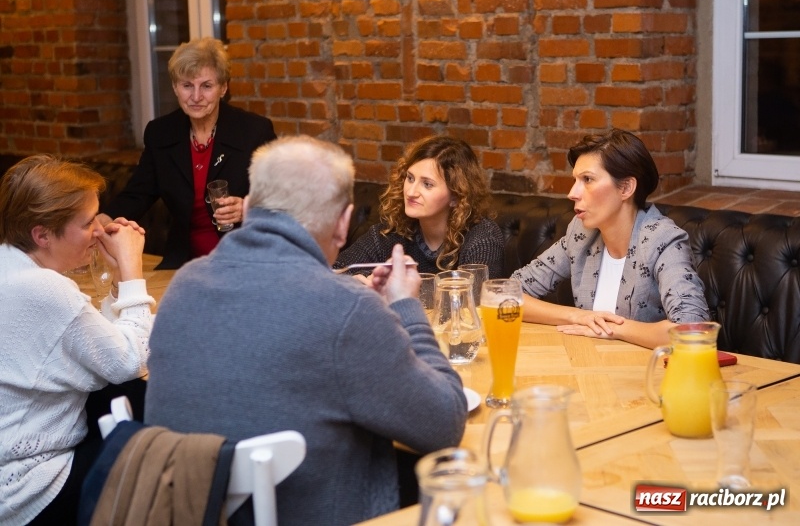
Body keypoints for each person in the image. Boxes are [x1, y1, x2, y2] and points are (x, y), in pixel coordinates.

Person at [144, 135, 467, 526]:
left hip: (184, 512)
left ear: (249, 204)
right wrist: (405, 306)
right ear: (343, 223)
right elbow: (445, 424)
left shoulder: (183, 284)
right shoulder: (345, 309)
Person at [0, 155, 154, 525]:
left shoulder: (11, 265)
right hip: (30, 487)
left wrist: (120, 281)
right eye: (87, 223)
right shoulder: (44, 289)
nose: (99, 231)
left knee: (129, 396)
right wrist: (132, 269)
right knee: (164, 451)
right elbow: (131, 360)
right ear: (42, 235)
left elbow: (92, 345)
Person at [512, 129, 709, 349]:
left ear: (626, 188)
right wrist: (577, 316)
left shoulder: (662, 240)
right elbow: (506, 295)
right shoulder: (582, 234)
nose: (572, 193)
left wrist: (613, 329)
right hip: (590, 362)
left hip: (648, 368)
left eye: (587, 179)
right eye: (576, 180)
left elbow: (694, 332)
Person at [102, 37, 277, 269]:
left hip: (246, 259)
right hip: (184, 263)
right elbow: (138, 194)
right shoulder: (161, 133)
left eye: (206, 86)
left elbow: (283, 197)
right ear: (175, 87)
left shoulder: (254, 131)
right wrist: (102, 219)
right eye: (187, 85)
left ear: (223, 88)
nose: (196, 97)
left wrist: (248, 207)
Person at [334, 134, 505, 280]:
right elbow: (334, 271)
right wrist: (366, 280)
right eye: (410, 178)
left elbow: (474, 299)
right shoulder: (390, 233)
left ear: (456, 196)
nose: (411, 192)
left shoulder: (482, 238)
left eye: (427, 184)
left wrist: (394, 287)